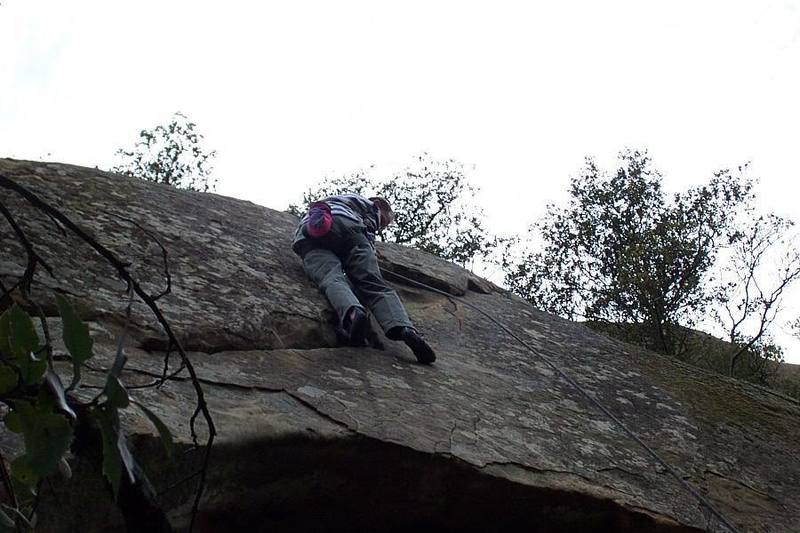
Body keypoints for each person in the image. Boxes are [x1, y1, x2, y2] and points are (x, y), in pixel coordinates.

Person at [292, 193, 436, 364]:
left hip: (311, 233)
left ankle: (353, 314)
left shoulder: (341, 200)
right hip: (351, 228)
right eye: (384, 222)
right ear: (379, 206)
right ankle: (404, 328)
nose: (382, 226)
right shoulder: (371, 206)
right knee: (374, 285)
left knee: (331, 278)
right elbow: (366, 239)